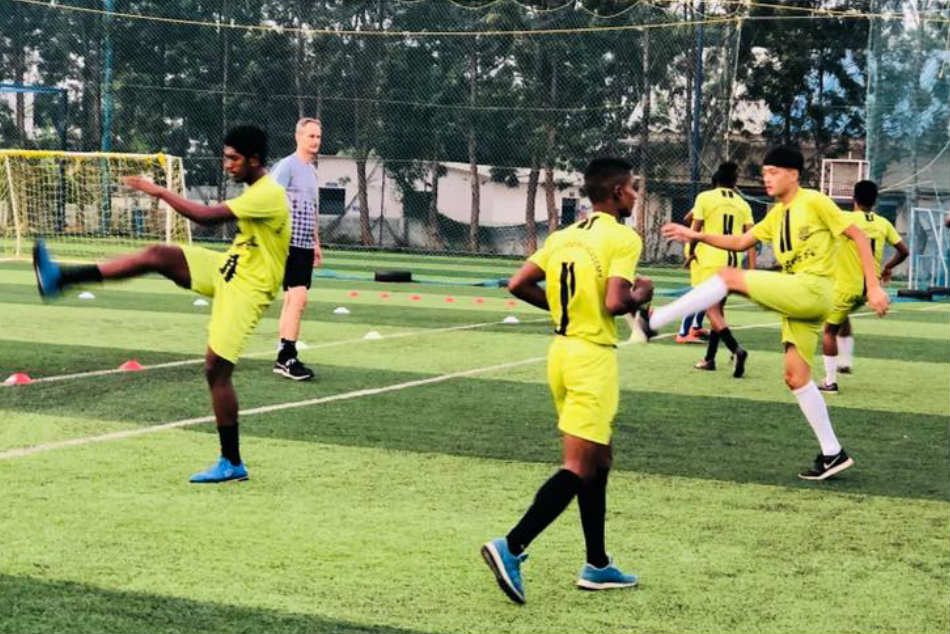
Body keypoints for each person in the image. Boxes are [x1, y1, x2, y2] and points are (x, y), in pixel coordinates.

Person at [32, 125, 289, 484]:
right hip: (228, 269)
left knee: (216, 369)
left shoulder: (269, 194)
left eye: (233, 158)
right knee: (158, 255)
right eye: (226, 156)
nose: (227, 164)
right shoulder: (256, 189)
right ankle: (61, 278)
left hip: (247, 289)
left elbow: (205, 217)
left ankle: (231, 462)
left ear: (254, 159)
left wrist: (160, 191)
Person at [631, 147, 888, 480]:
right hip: (800, 297)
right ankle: (832, 453)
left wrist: (873, 287)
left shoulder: (814, 201)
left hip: (813, 289)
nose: (766, 178)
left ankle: (652, 323)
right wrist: (697, 234)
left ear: (793, 174)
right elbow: (740, 242)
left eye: (773, 172)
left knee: (727, 276)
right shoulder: (777, 214)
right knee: (796, 377)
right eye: (765, 172)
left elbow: (858, 236)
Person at [481, 157, 652, 604]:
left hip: (560, 354)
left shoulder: (563, 236)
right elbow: (615, 302)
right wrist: (642, 293)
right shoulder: (623, 237)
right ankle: (511, 546)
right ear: (617, 192)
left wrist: (562, 308)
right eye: (633, 188)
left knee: (599, 460)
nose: (636, 195)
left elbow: (518, 283)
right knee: (578, 465)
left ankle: (597, 564)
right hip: (592, 358)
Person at [819, 180, 908, 393]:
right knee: (844, 317)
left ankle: (830, 382)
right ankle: (845, 362)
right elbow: (904, 251)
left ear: (854, 199)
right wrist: (888, 267)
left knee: (828, 331)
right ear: (875, 201)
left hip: (846, 287)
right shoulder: (883, 223)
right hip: (870, 289)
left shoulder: (844, 219)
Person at [686, 162, 755, 376]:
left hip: (710, 260)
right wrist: (751, 268)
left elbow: (695, 230)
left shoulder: (705, 198)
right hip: (732, 260)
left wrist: (690, 252)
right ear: (734, 182)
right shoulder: (743, 204)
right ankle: (710, 359)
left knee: (712, 311)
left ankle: (736, 349)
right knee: (718, 311)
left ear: (714, 181)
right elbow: (751, 238)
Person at [271, 118, 323, 380]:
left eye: (318, 137)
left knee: (292, 299)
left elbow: (312, 209)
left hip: (304, 244)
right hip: (287, 242)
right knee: (299, 298)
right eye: (310, 136)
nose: (315, 141)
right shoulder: (287, 166)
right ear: (298, 137)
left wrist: (315, 242)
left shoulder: (311, 171)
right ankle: (288, 358)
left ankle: (283, 354)